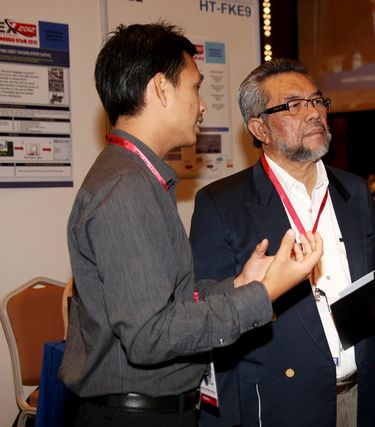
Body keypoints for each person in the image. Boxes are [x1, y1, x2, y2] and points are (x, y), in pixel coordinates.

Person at [59, 24, 323, 427]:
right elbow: (149, 336)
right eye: (195, 87)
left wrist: (240, 284)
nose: (202, 106)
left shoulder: (135, 176)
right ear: (161, 88)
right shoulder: (126, 187)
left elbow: (166, 302)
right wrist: (265, 293)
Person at [190, 58, 375, 427]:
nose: (314, 113)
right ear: (259, 127)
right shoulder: (221, 204)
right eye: (294, 105)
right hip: (282, 402)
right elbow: (203, 304)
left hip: (366, 392)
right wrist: (251, 287)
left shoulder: (353, 190)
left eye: (317, 101)